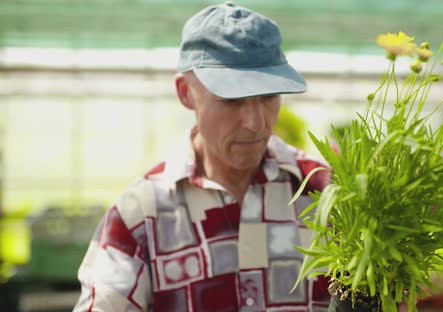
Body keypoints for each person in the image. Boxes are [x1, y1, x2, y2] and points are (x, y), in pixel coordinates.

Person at [73, 2, 333, 311]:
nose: (255, 123)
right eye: (232, 99)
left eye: (268, 97)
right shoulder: (141, 214)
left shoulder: (325, 194)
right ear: (185, 92)